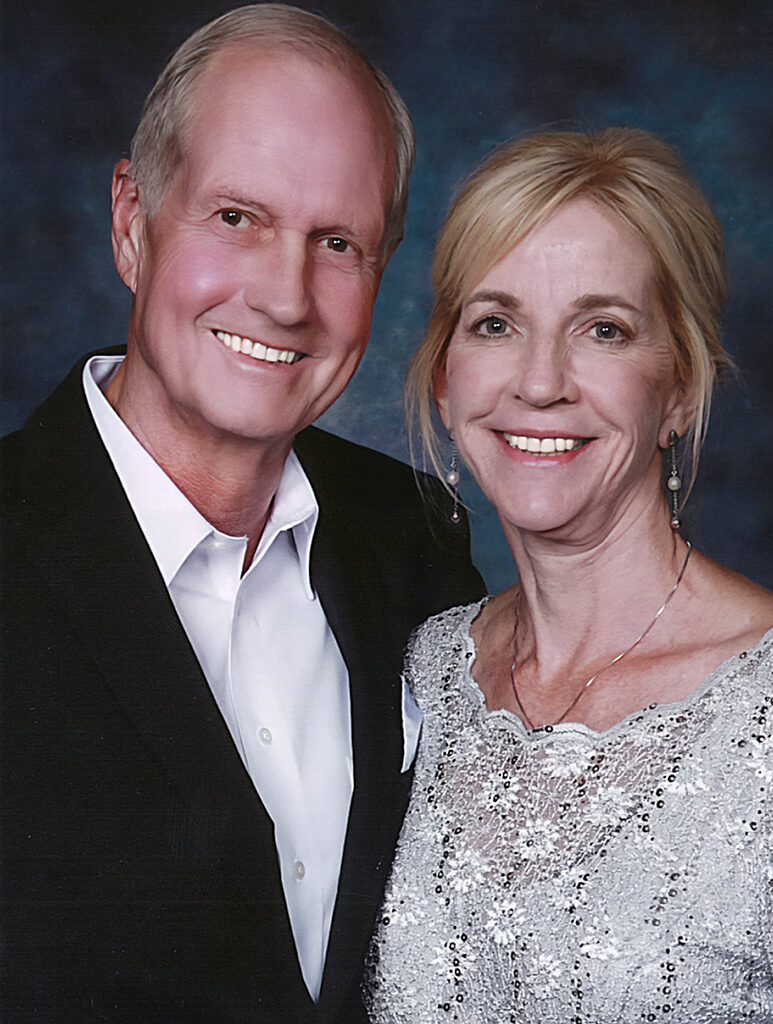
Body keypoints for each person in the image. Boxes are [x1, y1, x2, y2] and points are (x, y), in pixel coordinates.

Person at [0, 6, 484, 1023]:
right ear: (132, 220)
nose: (285, 297)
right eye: (236, 218)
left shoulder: (416, 542)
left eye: (338, 242)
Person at [364, 128, 773, 1022]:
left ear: (680, 388)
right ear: (445, 379)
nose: (541, 382)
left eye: (604, 330)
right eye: (496, 324)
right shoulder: (416, 674)